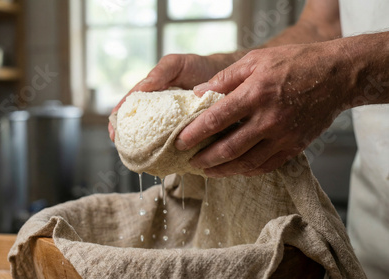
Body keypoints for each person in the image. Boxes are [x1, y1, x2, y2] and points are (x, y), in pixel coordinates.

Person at [108, 0, 389, 277]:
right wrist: (225, 70)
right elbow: (320, 25)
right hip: (376, 215)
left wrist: (337, 73)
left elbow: (330, 54)